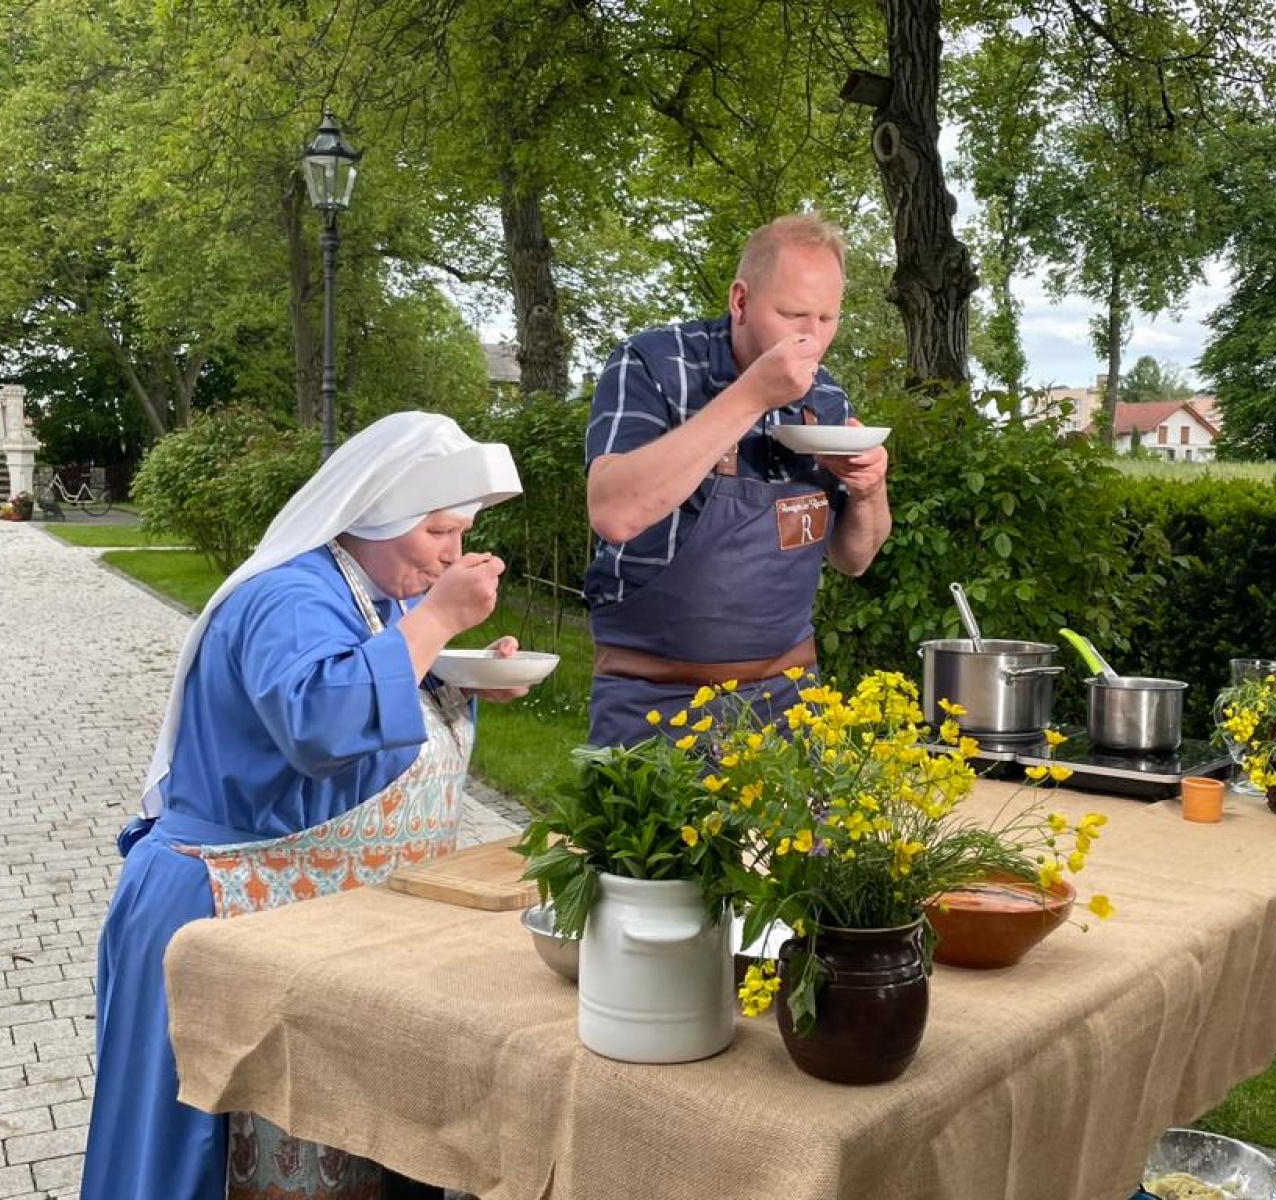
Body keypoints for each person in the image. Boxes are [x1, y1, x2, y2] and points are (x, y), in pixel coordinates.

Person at [82, 411, 525, 1200]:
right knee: (196, 1157)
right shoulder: (289, 596)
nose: (455, 553)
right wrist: (436, 620)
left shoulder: (374, 593)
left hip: (304, 922)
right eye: (439, 533)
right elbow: (319, 721)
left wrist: (452, 670)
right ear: (381, 517)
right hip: (221, 911)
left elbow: (380, 711)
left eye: (463, 531)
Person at [583, 213, 891, 746]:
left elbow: (855, 558)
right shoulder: (654, 364)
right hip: (654, 706)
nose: (812, 338)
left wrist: (868, 488)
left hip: (789, 704)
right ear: (740, 301)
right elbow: (613, 512)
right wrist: (753, 395)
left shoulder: (827, 399)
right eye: (793, 314)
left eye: (827, 318)